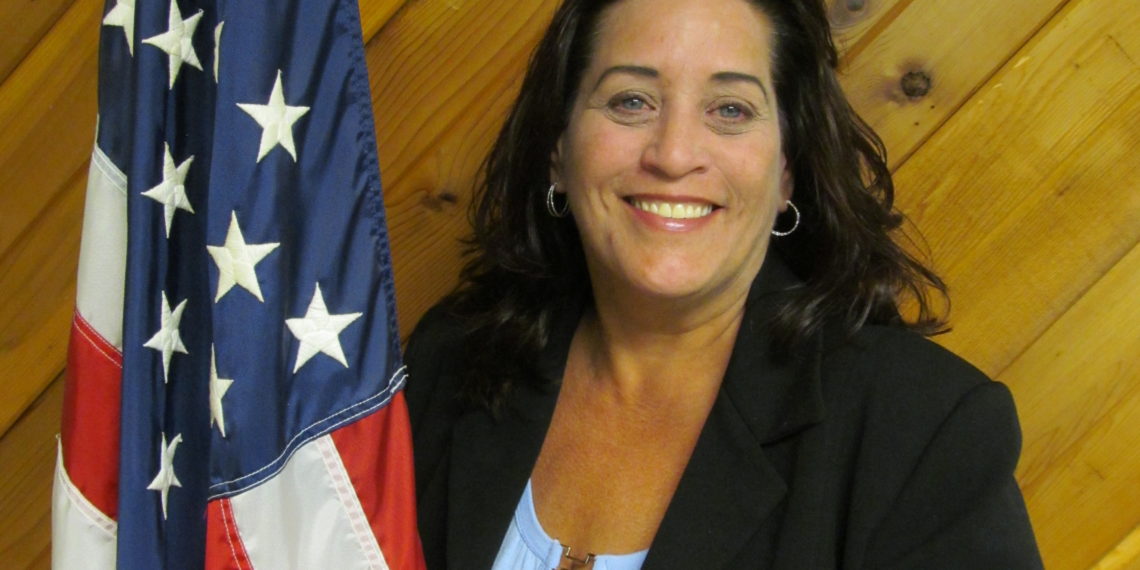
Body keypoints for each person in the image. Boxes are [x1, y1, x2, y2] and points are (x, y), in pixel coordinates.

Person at [403, 0, 1043, 567]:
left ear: (786, 170)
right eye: (631, 101)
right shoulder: (448, 358)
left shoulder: (924, 433)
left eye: (730, 110)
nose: (674, 154)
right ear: (558, 149)